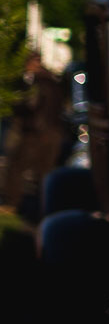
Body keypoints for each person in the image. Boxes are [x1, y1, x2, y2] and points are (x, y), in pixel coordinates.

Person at [1, 52, 67, 214]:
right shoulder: (53, 79)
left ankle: (11, 202)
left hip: (37, 131)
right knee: (45, 172)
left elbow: (31, 104)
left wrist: (17, 106)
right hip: (54, 131)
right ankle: (45, 207)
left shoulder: (36, 82)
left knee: (16, 166)